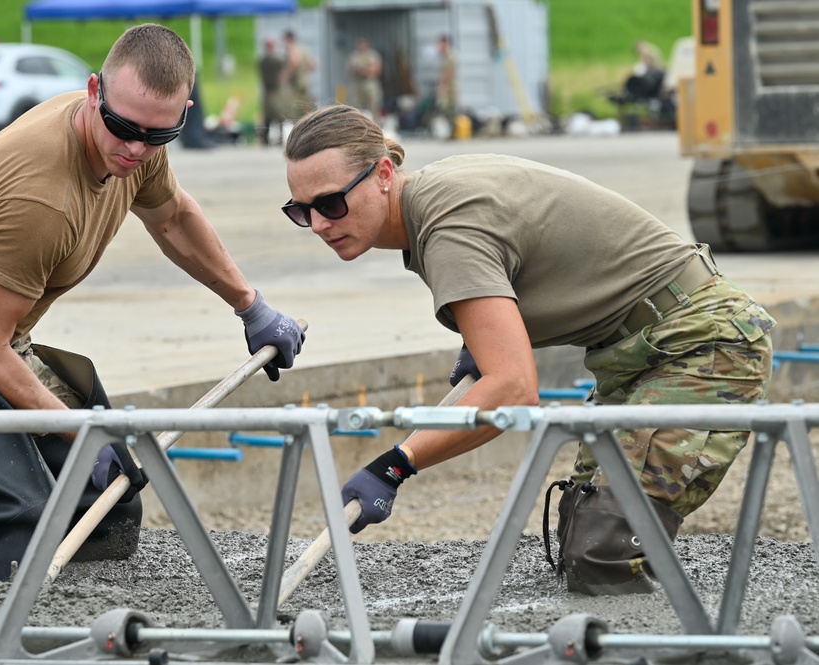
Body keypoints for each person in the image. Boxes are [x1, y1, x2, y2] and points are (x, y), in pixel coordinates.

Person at [0, 23, 306, 582]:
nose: (136, 148)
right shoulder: (40, 199)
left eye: (158, 133)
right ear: (94, 92)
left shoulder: (139, 138)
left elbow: (175, 218)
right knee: (22, 526)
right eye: (122, 127)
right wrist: (81, 432)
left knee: (108, 505)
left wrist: (251, 306)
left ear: (183, 110)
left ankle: (79, 619)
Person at [280, 105, 774, 596]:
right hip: (640, 350)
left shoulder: (447, 225)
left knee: (602, 548)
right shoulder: (432, 197)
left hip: (704, 346)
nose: (320, 224)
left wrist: (394, 466)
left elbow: (513, 390)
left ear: (384, 173)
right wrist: (489, 337)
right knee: (582, 531)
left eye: (331, 204)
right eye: (302, 211)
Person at [280, 30, 316, 121]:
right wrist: (303, 72)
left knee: (295, 109)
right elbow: (312, 65)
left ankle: (297, 129)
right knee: (305, 107)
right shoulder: (303, 48)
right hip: (304, 82)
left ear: (288, 39)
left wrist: (285, 77)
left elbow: (295, 62)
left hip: (296, 84)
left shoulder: (292, 48)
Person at [258, 36, 286, 146]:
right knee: (278, 115)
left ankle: (266, 139)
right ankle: (278, 137)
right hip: (274, 91)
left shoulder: (263, 60)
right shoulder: (271, 60)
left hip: (268, 91)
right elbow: (283, 62)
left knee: (268, 117)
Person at [346, 37, 382, 120]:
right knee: (356, 105)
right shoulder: (353, 56)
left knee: (373, 104)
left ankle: (375, 122)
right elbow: (350, 70)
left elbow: (376, 70)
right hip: (357, 84)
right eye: (359, 44)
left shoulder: (373, 55)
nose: (361, 46)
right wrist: (363, 70)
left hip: (369, 83)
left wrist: (363, 71)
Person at [434, 35, 457, 136]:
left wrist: (443, 87)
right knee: (446, 109)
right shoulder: (444, 56)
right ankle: (451, 132)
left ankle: (453, 132)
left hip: (449, 88)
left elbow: (449, 73)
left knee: (449, 109)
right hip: (448, 87)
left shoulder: (450, 56)